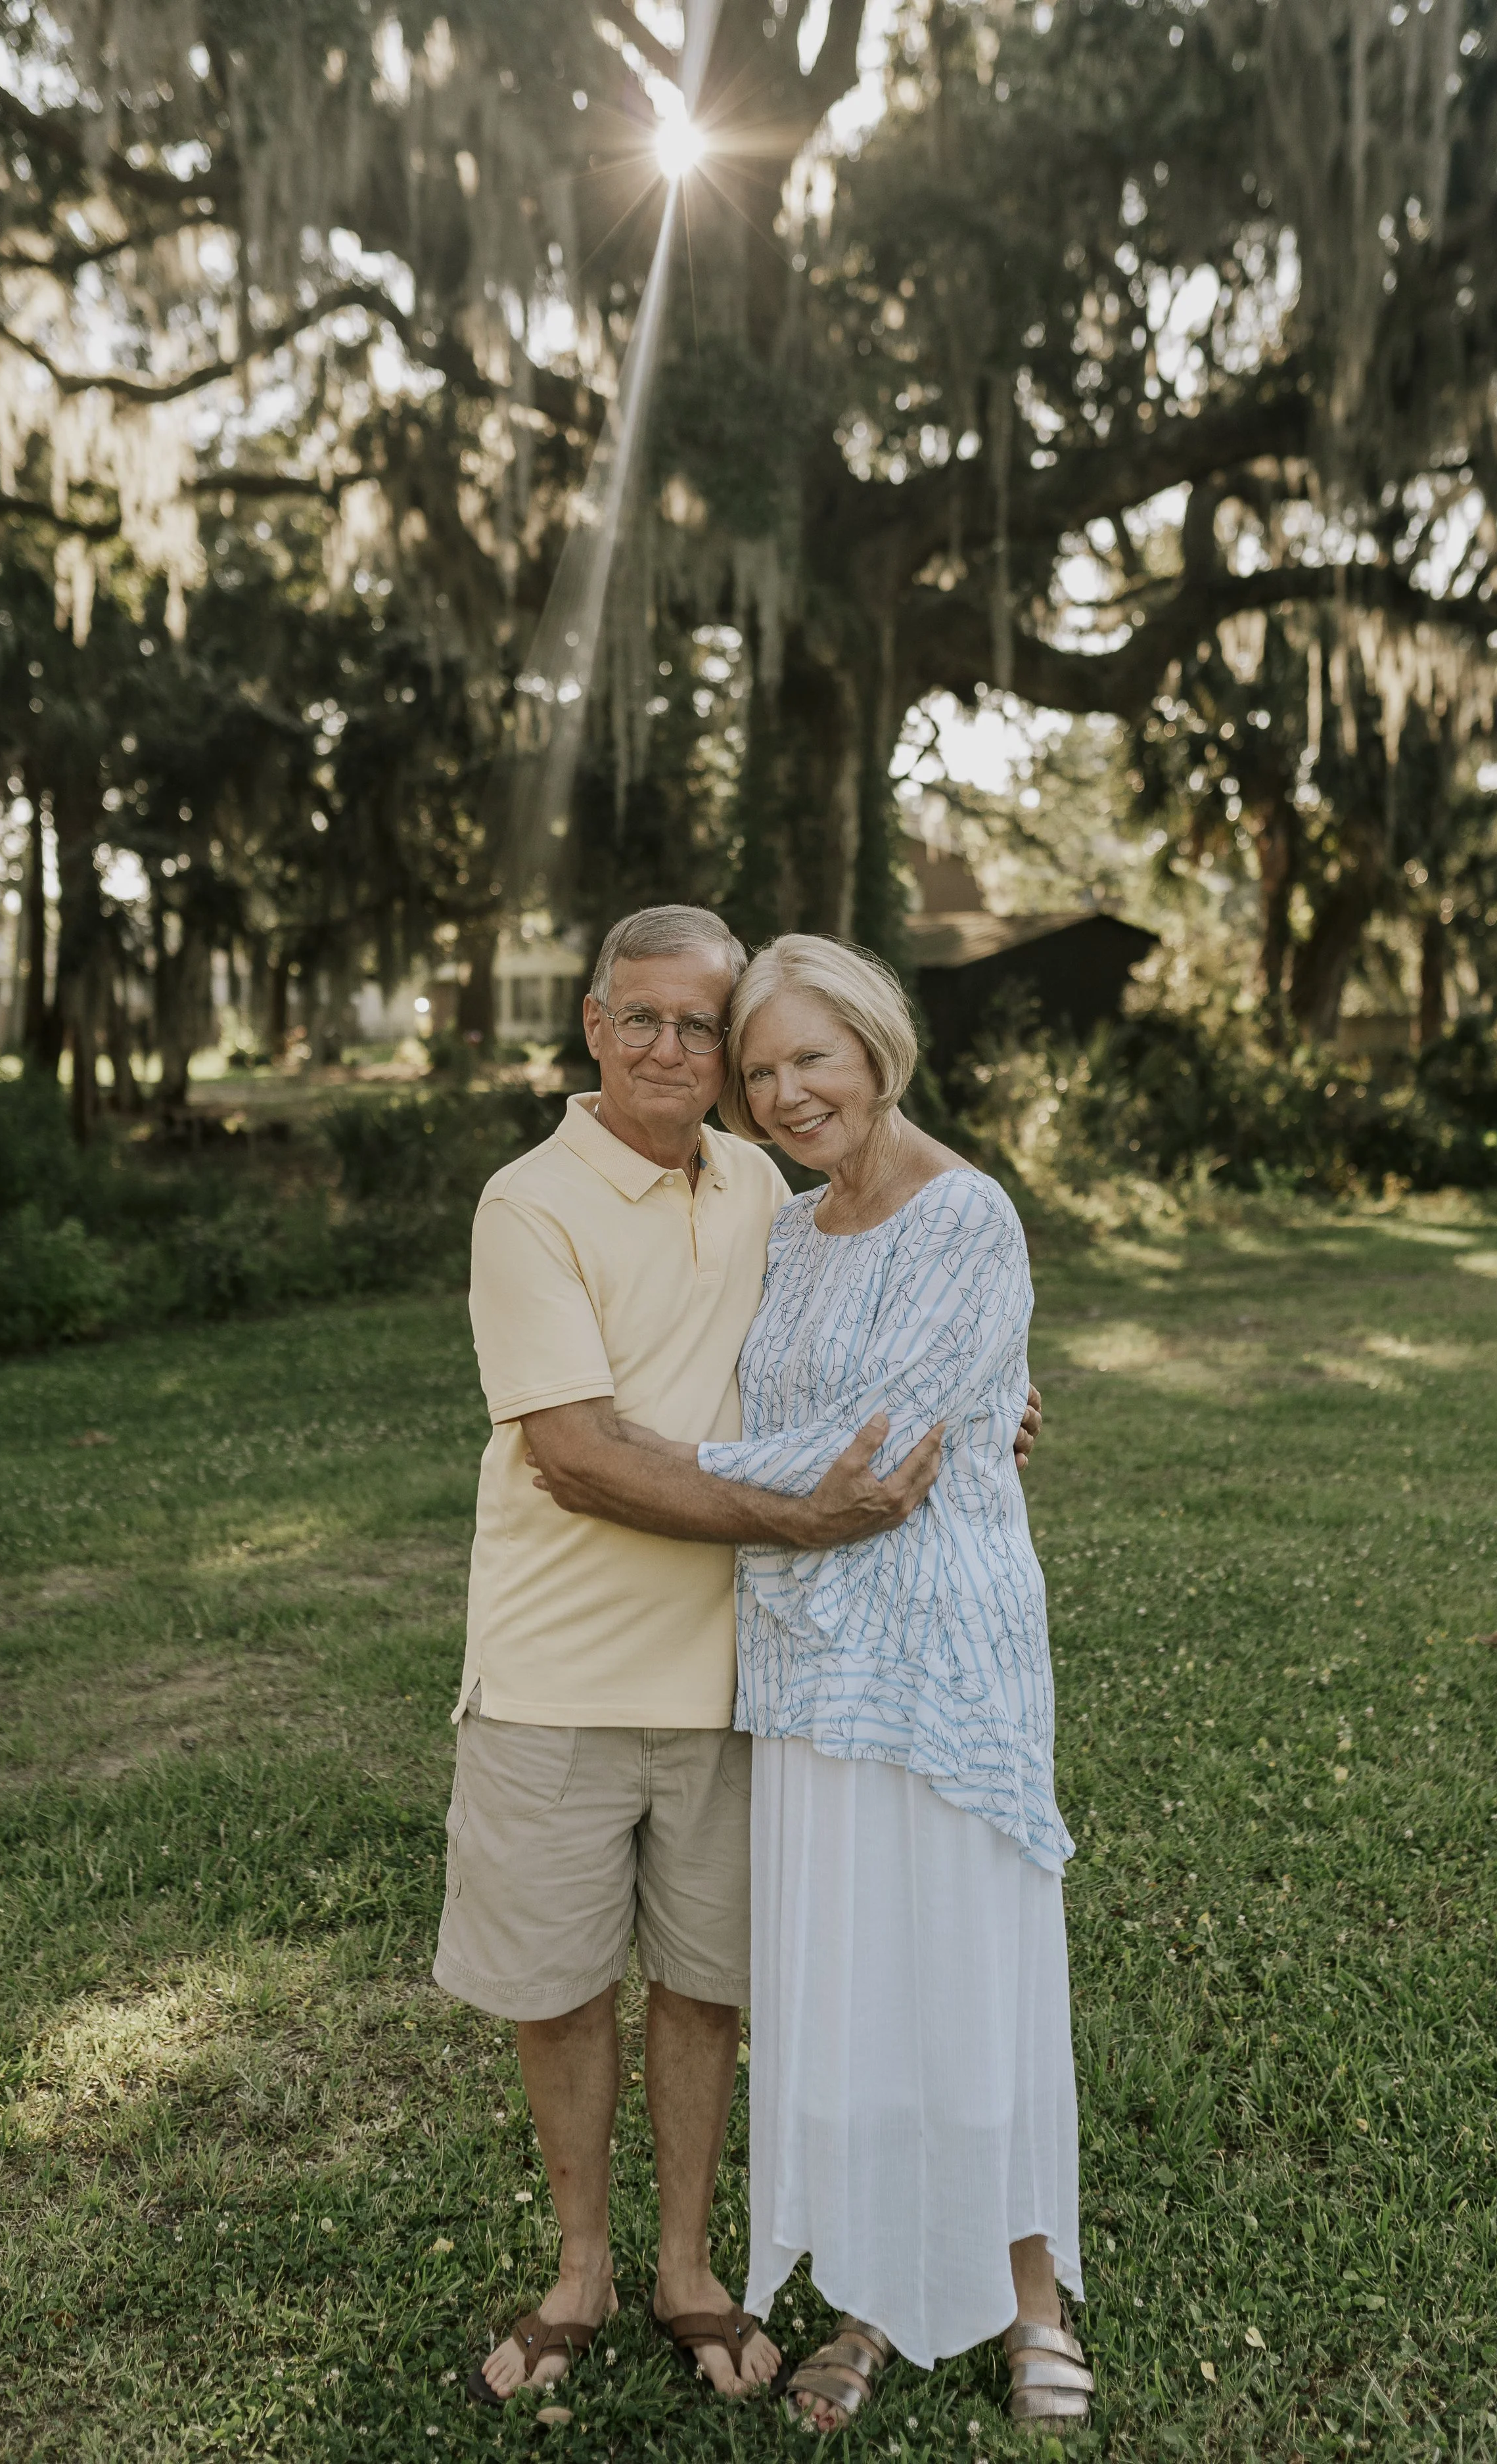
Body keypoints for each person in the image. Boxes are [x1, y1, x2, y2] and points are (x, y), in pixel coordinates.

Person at [432, 905, 1009, 2409]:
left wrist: (990, 1386)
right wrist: (803, 1514)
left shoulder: (759, 1178)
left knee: (703, 1988)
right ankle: (580, 2268)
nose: (678, 1051)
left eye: (710, 1029)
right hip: (554, 1670)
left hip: (734, 1677)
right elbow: (574, 1454)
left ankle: (686, 2267)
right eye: (648, 1019)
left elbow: (885, 1299)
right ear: (592, 1023)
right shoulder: (528, 1204)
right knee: (558, 1992)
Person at [651, 932, 1092, 2437]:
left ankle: (1033, 2295)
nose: (782, 1093)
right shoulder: (787, 1228)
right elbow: (800, 1411)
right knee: (847, 1996)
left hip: (945, 1665)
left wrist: (630, 1472)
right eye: (758, 1070)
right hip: (807, 1664)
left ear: (877, 1051)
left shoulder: (967, 1217)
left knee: (973, 1975)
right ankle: (872, 2300)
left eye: (808, 1061)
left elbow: (877, 1450)